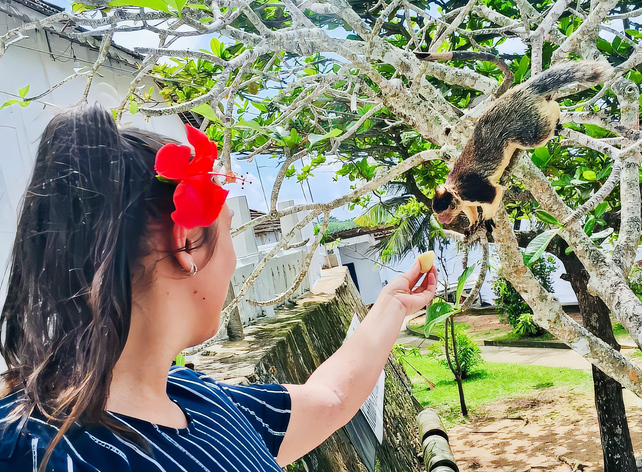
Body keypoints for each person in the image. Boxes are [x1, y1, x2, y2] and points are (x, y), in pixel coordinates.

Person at [0, 105, 437, 471]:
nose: (233, 258)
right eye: (230, 228)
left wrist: (393, 304)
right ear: (186, 241)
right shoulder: (28, 452)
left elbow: (333, 398)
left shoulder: (195, 395)